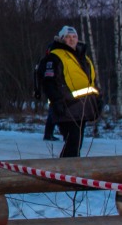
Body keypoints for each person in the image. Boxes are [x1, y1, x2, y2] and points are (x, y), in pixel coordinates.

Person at [39, 24, 102, 157]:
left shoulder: (84, 58)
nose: (72, 39)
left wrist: (98, 98)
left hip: (83, 107)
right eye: (68, 37)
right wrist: (57, 101)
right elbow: (49, 83)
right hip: (66, 107)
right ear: (61, 39)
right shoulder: (55, 57)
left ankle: (70, 171)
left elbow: (91, 82)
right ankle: (66, 172)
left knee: (76, 144)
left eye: (74, 36)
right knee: (73, 142)